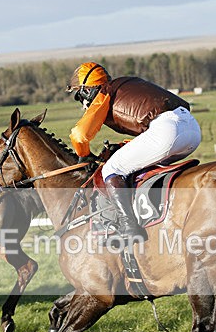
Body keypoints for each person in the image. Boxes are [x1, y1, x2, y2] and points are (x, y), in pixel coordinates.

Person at [67, 62, 201, 246]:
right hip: (192, 130)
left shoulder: (104, 93)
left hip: (167, 130)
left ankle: (128, 226)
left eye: (79, 96)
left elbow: (79, 135)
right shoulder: (126, 84)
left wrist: (85, 155)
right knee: (138, 169)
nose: (82, 104)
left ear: (88, 90)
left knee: (111, 169)